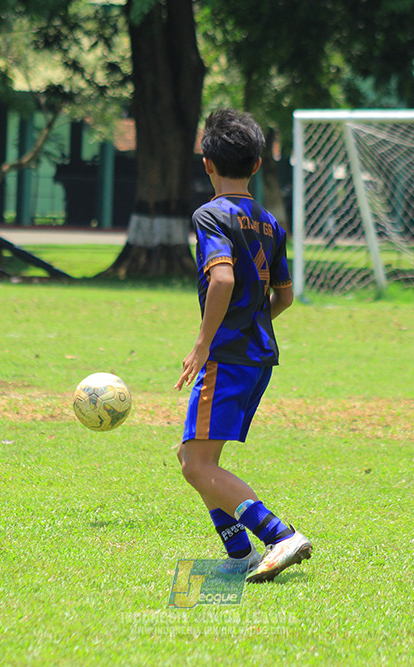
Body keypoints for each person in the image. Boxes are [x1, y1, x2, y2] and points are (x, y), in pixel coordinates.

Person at [174, 108, 312, 583]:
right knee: (193, 459)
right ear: (257, 165)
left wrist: (203, 342)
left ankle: (278, 536)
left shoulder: (210, 215)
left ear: (207, 164)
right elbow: (285, 296)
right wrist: (252, 325)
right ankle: (239, 552)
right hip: (259, 357)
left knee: (196, 464)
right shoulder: (271, 222)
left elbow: (223, 279)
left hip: (228, 359)